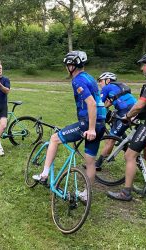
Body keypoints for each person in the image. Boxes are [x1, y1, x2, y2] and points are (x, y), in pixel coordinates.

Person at [32, 51, 106, 202]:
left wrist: (90, 128)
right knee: (90, 161)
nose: (67, 67)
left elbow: (91, 103)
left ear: (73, 65)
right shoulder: (89, 77)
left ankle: (44, 174)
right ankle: (86, 193)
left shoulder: (77, 80)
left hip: (88, 125)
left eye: (68, 65)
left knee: (54, 139)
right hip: (100, 123)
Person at [107, 52, 146, 201]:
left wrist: (127, 116)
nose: (142, 68)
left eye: (144, 65)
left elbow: (140, 104)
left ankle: (126, 192)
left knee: (129, 155)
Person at [95, 72, 137, 170]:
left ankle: (97, 164)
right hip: (134, 109)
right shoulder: (119, 86)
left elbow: (99, 104)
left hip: (126, 113)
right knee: (116, 125)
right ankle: (123, 146)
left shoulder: (107, 88)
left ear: (108, 80)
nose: (100, 83)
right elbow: (118, 101)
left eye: (100, 81)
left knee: (111, 138)